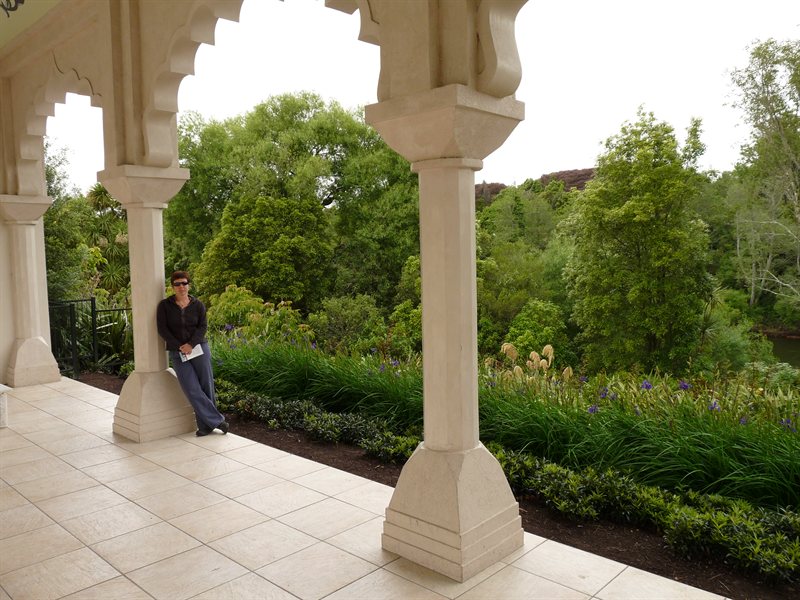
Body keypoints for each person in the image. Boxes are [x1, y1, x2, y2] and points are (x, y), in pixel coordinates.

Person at [156, 271, 228, 437]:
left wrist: (191, 344)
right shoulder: (165, 306)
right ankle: (217, 421)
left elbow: (202, 327)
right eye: (177, 284)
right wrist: (180, 346)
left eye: (184, 283)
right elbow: (162, 329)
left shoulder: (198, 305)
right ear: (172, 287)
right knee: (191, 388)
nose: (181, 287)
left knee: (206, 386)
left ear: (189, 285)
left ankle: (205, 426)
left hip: (198, 349)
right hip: (178, 352)